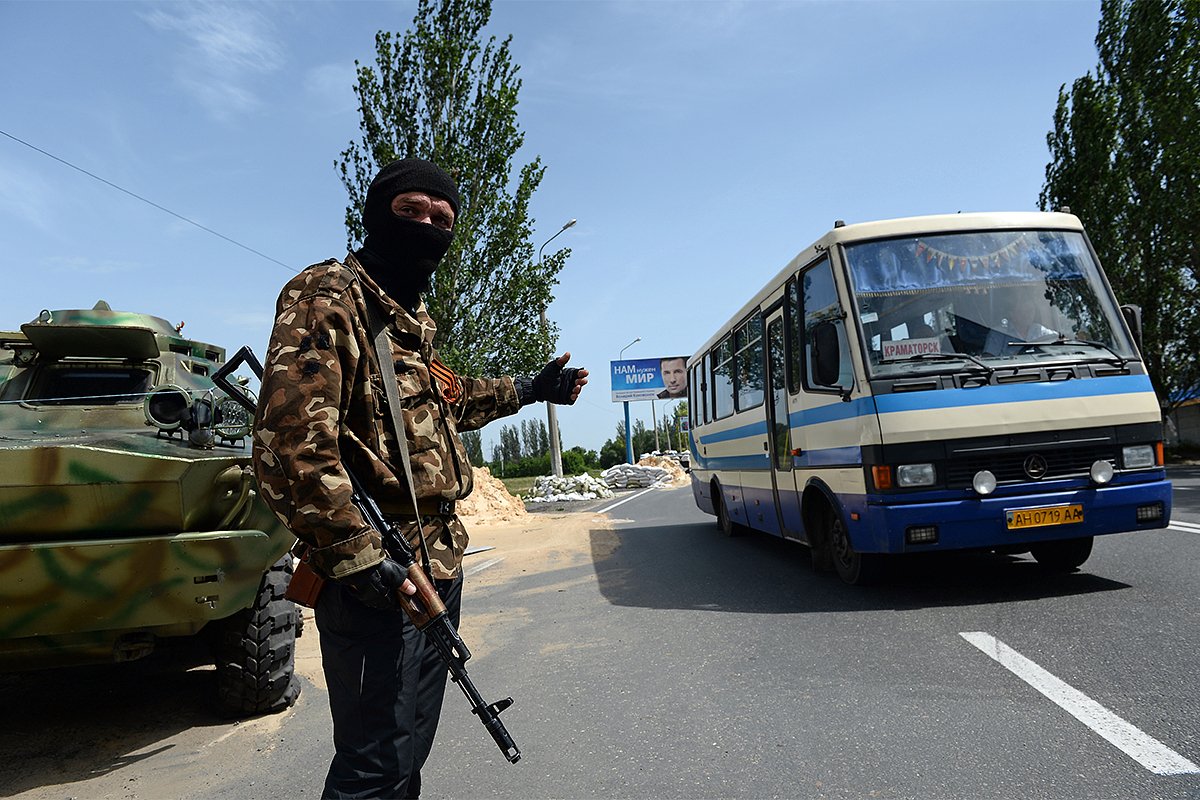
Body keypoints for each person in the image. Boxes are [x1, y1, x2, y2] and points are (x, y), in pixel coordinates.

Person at [251, 158, 588, 799]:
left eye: (443, 218)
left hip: (436, 568)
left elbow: (444, 408)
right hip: (379, 576)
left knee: (409, 751)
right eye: (411, 211)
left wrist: (530, 388)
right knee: (374, 765)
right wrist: (361, 558)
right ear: (377, 215)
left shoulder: (409, 324)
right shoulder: (331, 296)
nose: (428, 225)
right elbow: (290, 448)